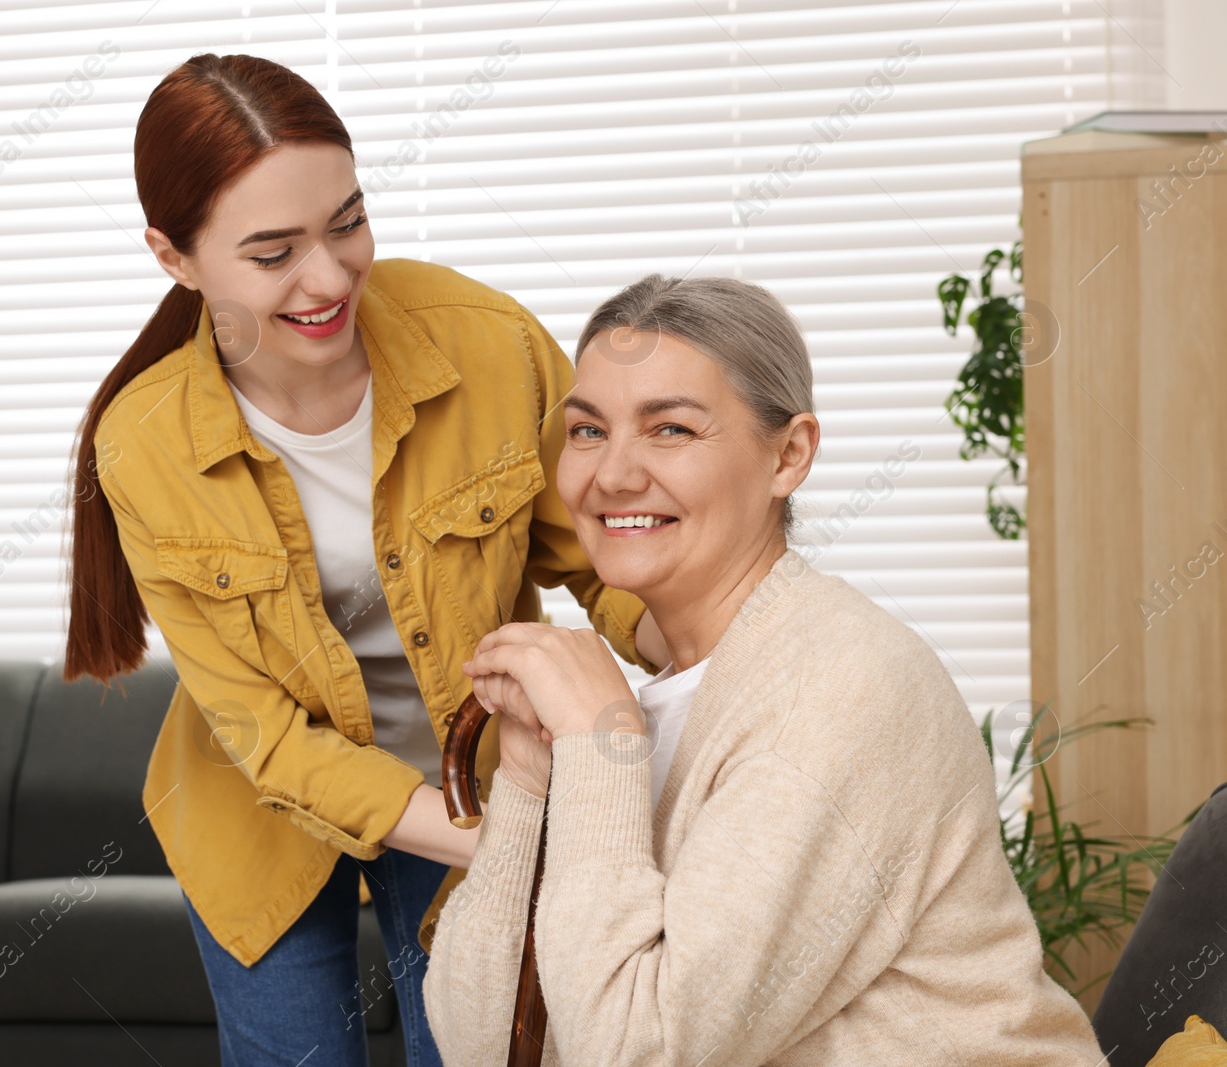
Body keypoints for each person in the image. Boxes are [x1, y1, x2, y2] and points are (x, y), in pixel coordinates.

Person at [60, 54, 669, 1067]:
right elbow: (265, 735)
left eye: (347, 221)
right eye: (273, 252)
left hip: (469, 770)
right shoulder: (147, 445)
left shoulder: (486, 342)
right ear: (175, 257)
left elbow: (601, 561)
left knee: (473, 1049)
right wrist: (498, 842)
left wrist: (715, 650)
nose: (331, 276)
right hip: (259, 810)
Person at [422, 274, 1108, 1065]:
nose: (611, 474)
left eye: (670, 429)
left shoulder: (842, 689)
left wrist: (597, 737)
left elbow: (638, 1051)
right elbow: (481, 1042)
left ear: (789, 455)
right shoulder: (672, 698)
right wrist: (530, 775)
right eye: (586, 431)